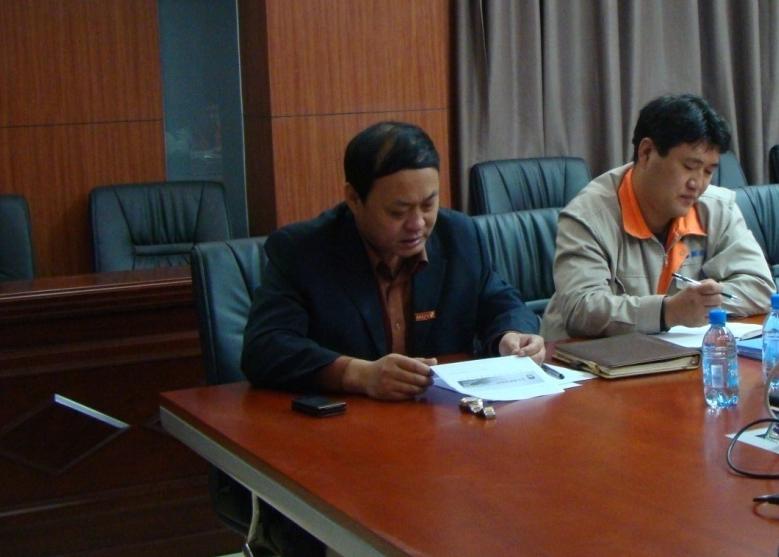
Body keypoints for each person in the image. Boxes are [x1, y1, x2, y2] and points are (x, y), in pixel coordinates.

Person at [241, 121, 544, 556]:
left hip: (448, 451)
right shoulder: (303, 251)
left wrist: (512, 334)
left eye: (429, 204)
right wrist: (360, 374)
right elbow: (265, 347)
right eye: (398, 211)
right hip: (345, 459)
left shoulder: (459, 236)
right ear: (354, 199)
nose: (418, 224)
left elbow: (500, 300)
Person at [542, 94, 774, 341]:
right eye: (689, 166)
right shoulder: (588, 216)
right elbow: (581, 309)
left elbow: (760, 287)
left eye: (708, 171)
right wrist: (668, 311)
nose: (697, 183)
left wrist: (700, 303)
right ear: (646, 152)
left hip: (677, 354)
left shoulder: (716, 207)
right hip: (586, 357)